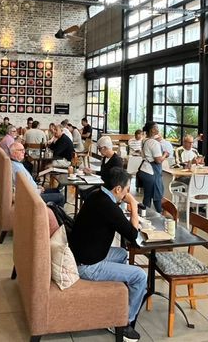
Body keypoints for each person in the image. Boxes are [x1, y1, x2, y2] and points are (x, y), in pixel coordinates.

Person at [68, 167, 146, 342]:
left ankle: (116, 300)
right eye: (127, 191)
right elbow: (133, 236)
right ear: (118, 189)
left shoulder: (97, 195)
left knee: (120, 253)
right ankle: (123, 322)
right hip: (88, 265)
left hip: (81, 253)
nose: (127, 194)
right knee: (140, 276)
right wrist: (133, 205)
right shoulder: (108, 207)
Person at [137, 121, 167, 210]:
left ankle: (144, 215)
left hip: (144, 170)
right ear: (152, 130)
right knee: (157, 195)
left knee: (147, 196)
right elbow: (158, 160)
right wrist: (165, 154)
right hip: (151, 172)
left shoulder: (144, 140)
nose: (158, 129)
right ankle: (159, 214)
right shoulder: (154, 143)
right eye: (156, 127)